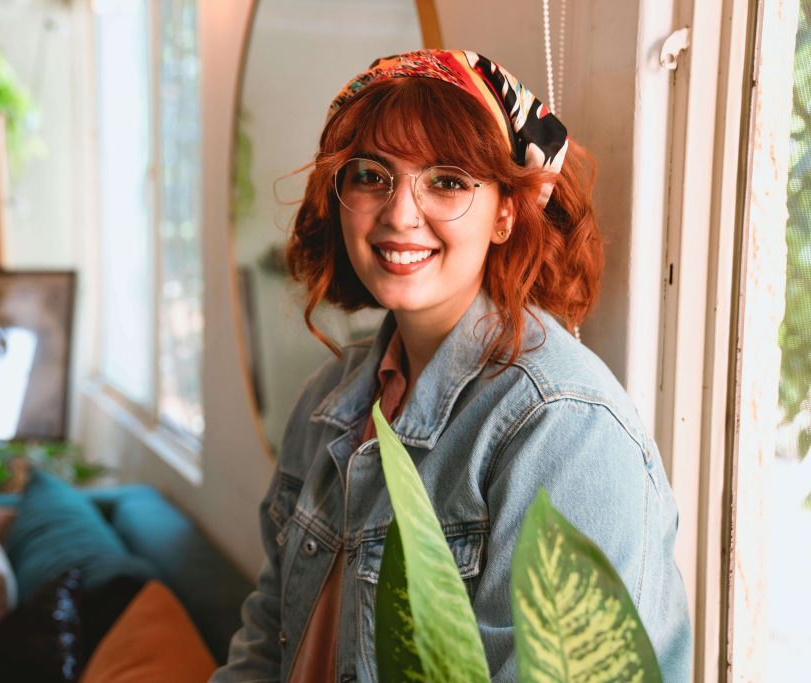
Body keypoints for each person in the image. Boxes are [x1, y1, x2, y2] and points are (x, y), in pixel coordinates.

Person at [211, 49, 691, 682]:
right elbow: (262, 647)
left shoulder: (562, 429)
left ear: (507, 212)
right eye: (371, 175)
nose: (399, 214)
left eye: (447, 180)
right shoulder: (327, 401)